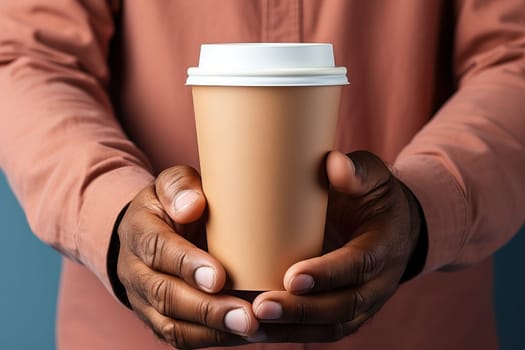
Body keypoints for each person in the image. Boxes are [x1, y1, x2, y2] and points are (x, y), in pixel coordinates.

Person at [1, 1, 524, 349]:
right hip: (132, 332)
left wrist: (427, 205)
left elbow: (514, 54)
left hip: (416, 325)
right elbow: (28, 55)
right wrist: (110, 215)